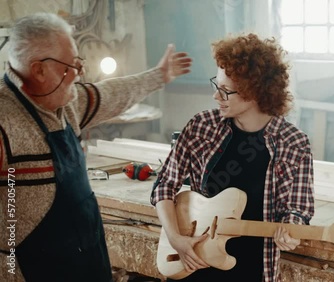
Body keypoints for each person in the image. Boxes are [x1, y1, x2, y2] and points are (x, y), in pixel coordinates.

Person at [0, 13, 191, 282]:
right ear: (39, 70)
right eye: (71, 66)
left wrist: (158, 76)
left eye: (79, 63)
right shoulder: (4, 121)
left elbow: (111, 93)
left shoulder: (65, 104)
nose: (78, 74)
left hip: (88, 265)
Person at [151, 33, 315, 282]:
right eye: (216, 85)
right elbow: (164, 185)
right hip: (196, 263)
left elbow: (297, 209)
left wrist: (290, 230)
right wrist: (176, 238)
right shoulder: (201, 126)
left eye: (226, 91)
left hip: (253, 269)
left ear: (255, 92)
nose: (216, 96)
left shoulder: (294, 143)